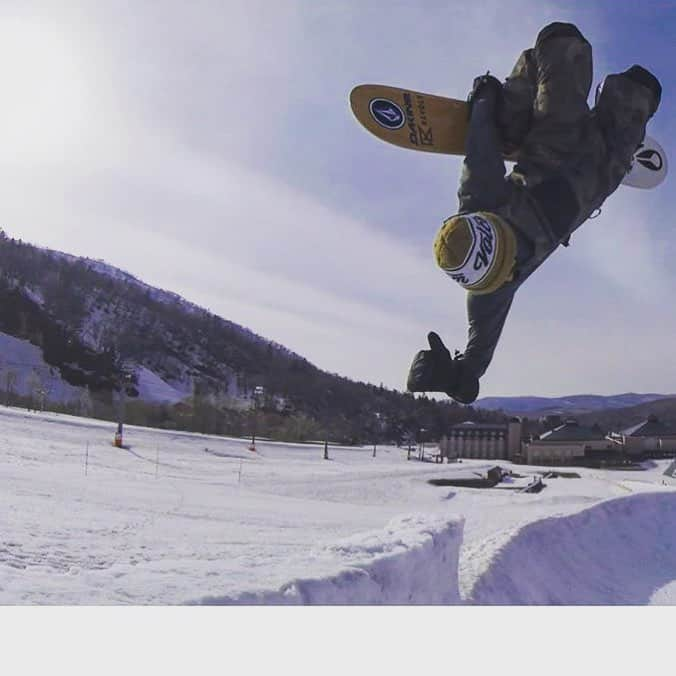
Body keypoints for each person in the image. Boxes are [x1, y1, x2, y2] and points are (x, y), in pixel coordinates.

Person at [406, 21, 662, 404]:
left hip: (551, 145)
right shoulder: (490, 294)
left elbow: (481, 151)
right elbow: (475, 367)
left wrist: (484, 103)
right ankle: (518, 110)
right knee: (641, 85)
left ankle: (514, 117)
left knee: (561, 41)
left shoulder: (480, 200)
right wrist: (456, 380)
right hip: (602, 163)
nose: (512, 266)